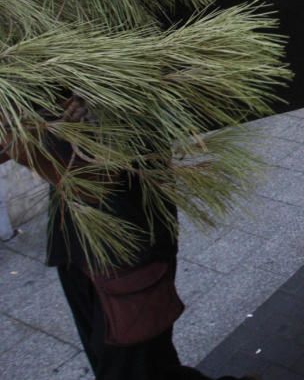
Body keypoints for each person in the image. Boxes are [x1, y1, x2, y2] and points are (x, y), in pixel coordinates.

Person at [0, 101, 251, 380]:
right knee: (141, 362)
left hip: (129, 246)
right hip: (76, 241)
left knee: (131, 364)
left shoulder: (118, 95)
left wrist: (38, 136)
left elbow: (95, 178)